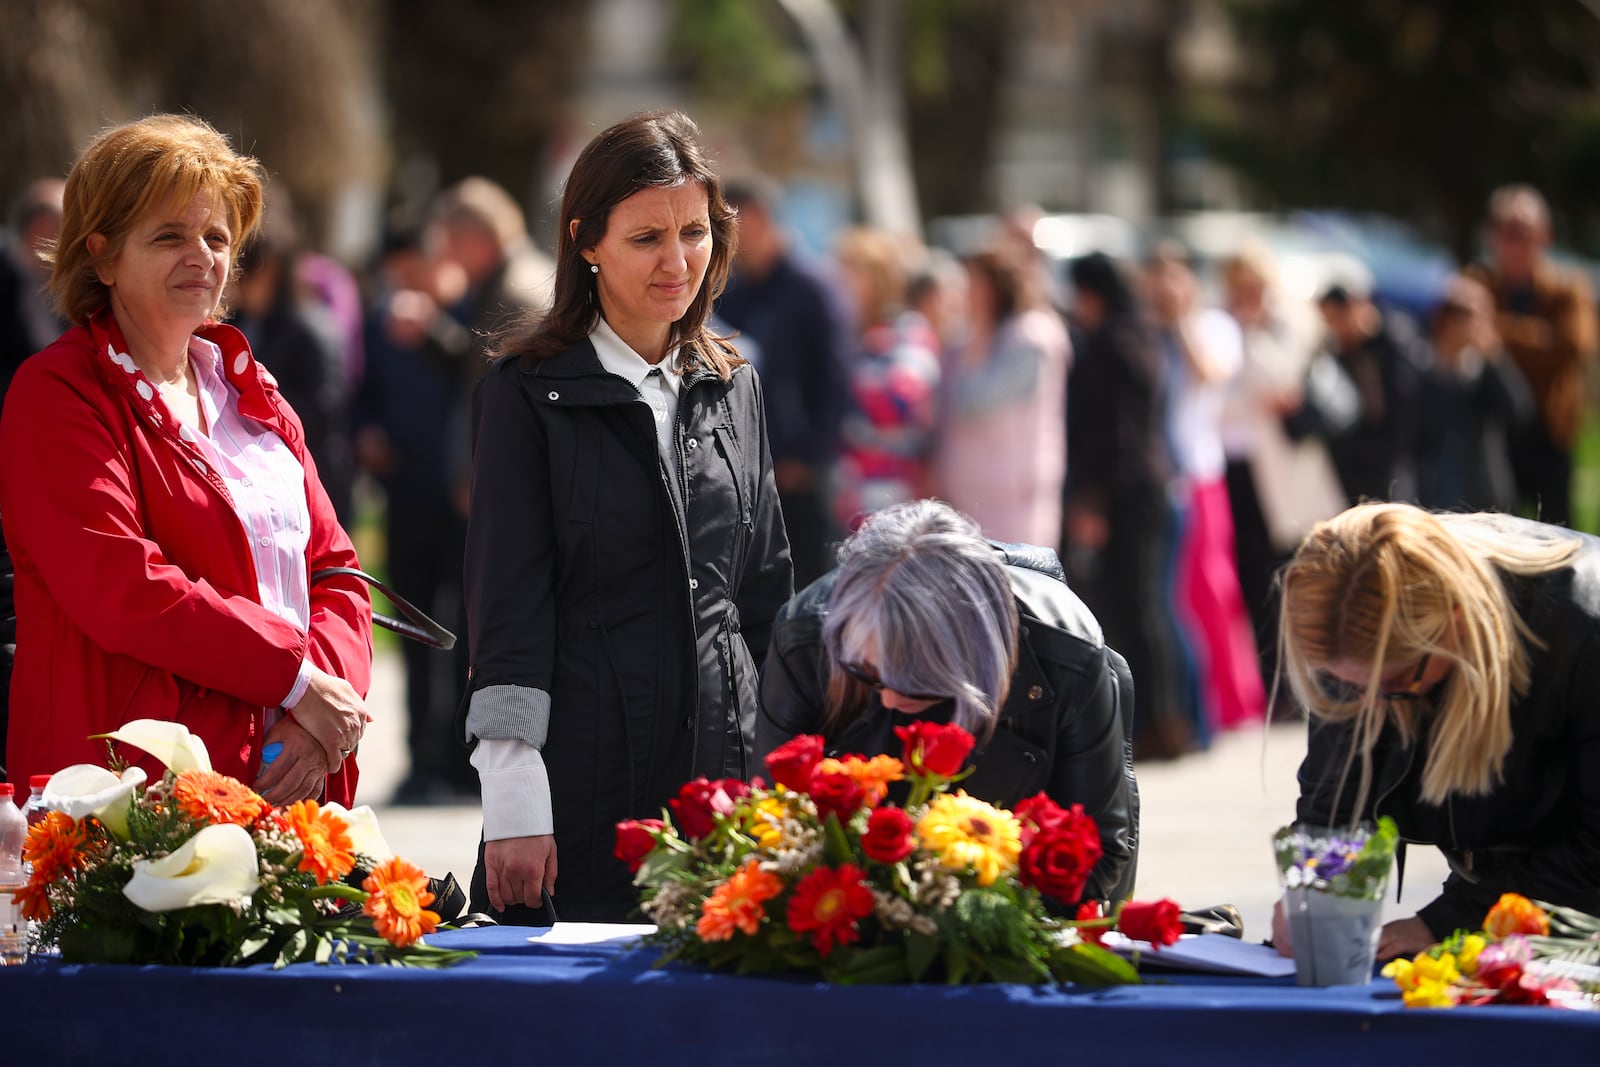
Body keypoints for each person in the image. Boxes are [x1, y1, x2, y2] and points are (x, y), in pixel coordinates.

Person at [462, 110, 793, 924]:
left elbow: (767, 599)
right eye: (647, 238)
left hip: (728, 791)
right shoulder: (525, 393)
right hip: (581, 792)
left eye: (695, 231)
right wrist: (514, 804)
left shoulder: (735, 383)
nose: (678, 261)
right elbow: (507, 608)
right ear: (586, 242)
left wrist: (790, 779)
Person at [0, 115, 372, 804]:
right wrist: (293, 677)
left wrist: (318, 713)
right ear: (102, 257)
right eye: (169, 235)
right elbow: (120, 583)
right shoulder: (56, 393)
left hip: (287, 784)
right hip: (129, 804)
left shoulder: (250, 390)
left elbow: (337, 572)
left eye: (217, 237)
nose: (201, 255)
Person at [757, 499, 1138, 906]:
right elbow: (770, 818)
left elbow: (1099, 854)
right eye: (867, 674)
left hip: (1011, 918)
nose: (888, 697)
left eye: (915, 682)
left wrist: (961, 918)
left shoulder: (1065, 651)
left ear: (974, 652)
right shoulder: (806, 637)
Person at [1272, 502, 1600, 961]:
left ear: (1456, 623)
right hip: (1513, 887)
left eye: (1392, 684)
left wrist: (1445, 922)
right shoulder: (1353, 617)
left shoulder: (1583, 633)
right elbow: (1335, 799)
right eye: (1347, 685)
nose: (1366, 703)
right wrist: (1315, 890)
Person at [1063, 252, 1185, 760]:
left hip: (1118, 488)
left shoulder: (1109, 343)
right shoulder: (1143, 334)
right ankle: (1166, 720)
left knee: (1128, 604)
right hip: (1148, 481)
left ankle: (1152, 723)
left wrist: (1091, 500)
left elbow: (1105, 431)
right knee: (1147, 604)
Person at [1146, 243, 1263, 739]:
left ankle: (1235, 701)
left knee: (1213, 593)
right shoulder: (1147, 329)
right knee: (1178, 598)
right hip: (1168, 476)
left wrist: (1181, 322)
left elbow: (1211, 373)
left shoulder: (1214, 326)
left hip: (1201, 473)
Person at [719, 175, 854, 587]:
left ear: (759, 218)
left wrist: (809, 457)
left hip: (800, 473)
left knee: (811, 587)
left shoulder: (812, 286)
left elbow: (837, 377)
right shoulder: (734, 290)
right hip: (750, 471)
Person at [1464, 185, 1597, 527]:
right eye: (1504, 231)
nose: (1513, 242)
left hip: (1549, 434)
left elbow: (1572, 346)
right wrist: (1536, 337)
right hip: (1492, 432)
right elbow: (1460, 334)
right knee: (1490, 534)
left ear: (1545, 236)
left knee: (1555, 536)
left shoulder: (1568, 288)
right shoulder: (1478, 284)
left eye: (1522, 232)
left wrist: (1498, 334)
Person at [935, 246, 1070, 548]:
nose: (966, 294)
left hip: (1013, 497)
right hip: (967, 496)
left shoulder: (1030, 337)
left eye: (974, 284)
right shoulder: (965, 336)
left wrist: (978, 334)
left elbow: (976, 403)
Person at [831, 227, 941, 532]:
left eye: (853, 272)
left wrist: (844, 395)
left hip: (894, 494)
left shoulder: (909, 333)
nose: (841, 283)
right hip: (848, 492)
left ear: (880, 279)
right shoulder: (850, 335)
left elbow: (900, 404)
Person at [1414, 275, 1534, 514]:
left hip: (1485, 497)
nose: (1474, 325)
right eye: (1464, 315)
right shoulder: (1421, 366)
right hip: (1435, 497)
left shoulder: (1486, 369)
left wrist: (1494, 356)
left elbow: (1519, 410)